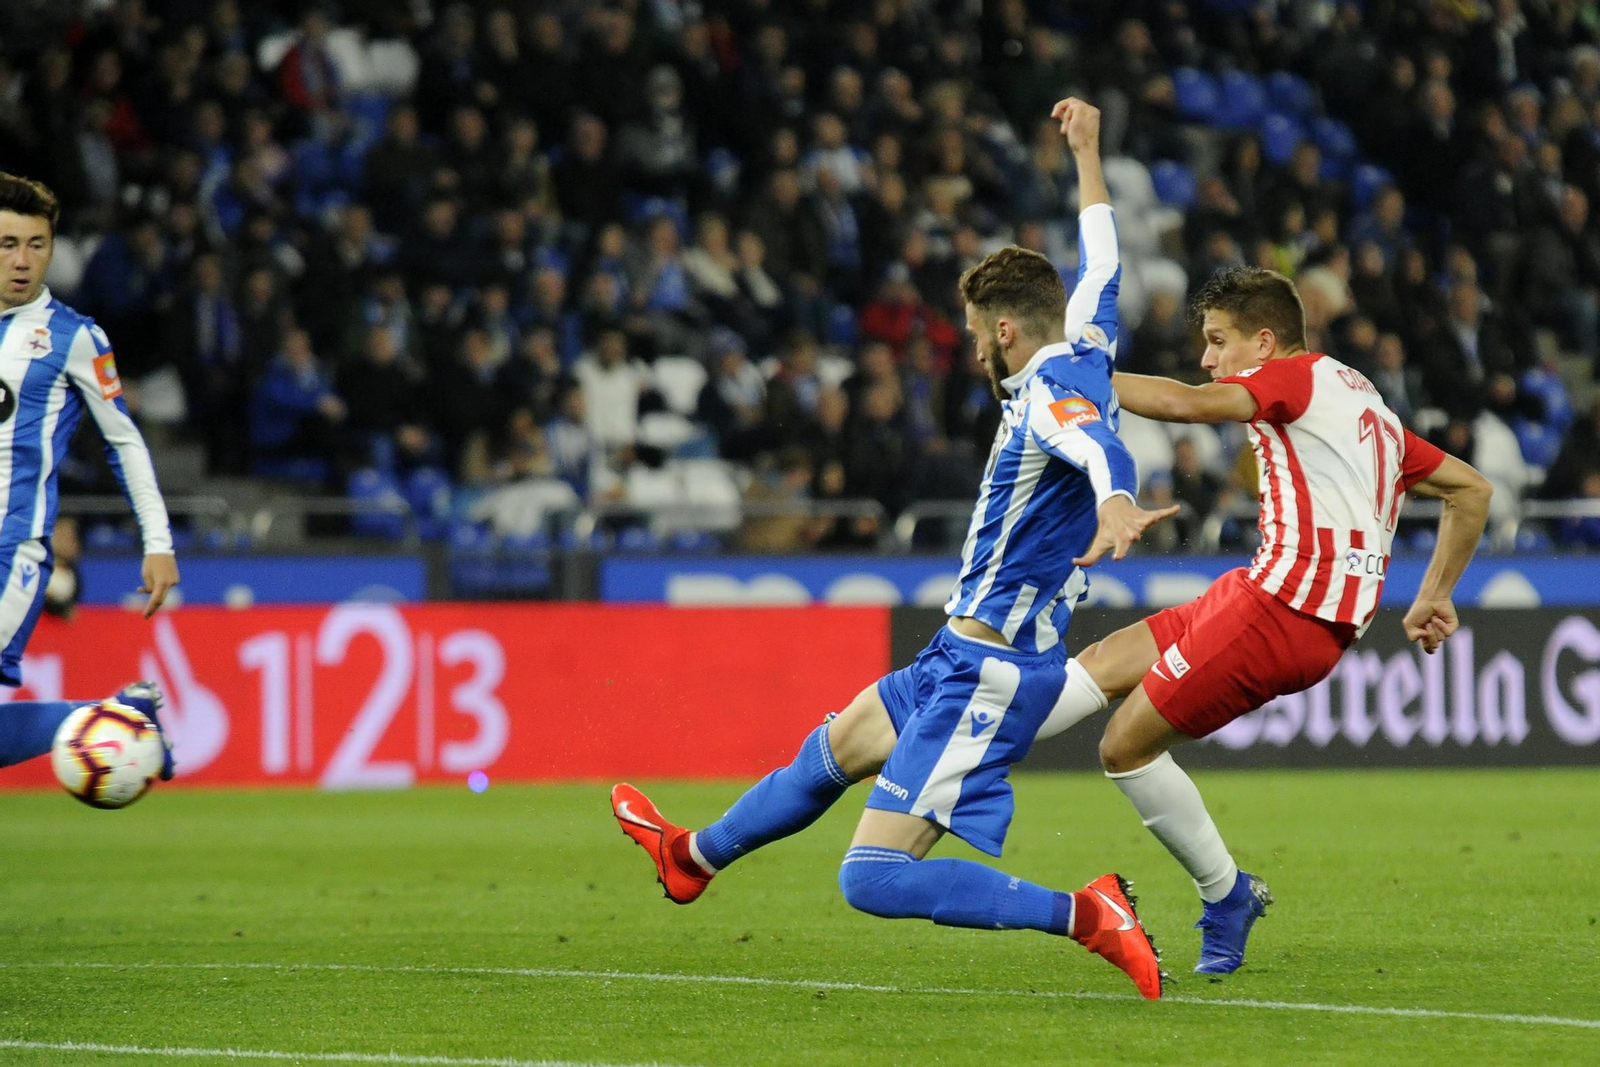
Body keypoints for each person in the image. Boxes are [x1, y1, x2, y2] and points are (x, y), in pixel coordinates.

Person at [612, 101, 1176, 999]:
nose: (969, 350)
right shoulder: (1093, 347)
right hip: (957, 651)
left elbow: (1087, 440)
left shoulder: (1043, 395)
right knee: (833, 747)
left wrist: (1116, 500)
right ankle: (694, 856)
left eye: (972, 333)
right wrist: (1088, 154)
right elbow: (1102, 256)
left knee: (870, 877)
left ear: (1003, 332)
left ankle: (1087, 912)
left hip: (987, 671)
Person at [1044, 266, 1492, 974]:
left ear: (1265, 340)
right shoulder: (1359, 397)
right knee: (1104, 663)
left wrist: (1062, 380)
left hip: (1285, 612)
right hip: (1266, 593)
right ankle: (966, 733)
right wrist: (1434, 593)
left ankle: (1226, 895)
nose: (1208, 357)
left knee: (1122, 747)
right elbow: (1471, 488)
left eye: (1219, 341)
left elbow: (1188, 404)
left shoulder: (1295, 376)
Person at [0, 173, 180, 778]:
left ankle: (113, 716)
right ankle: (119, 715)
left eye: (36, 244)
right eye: (7, 244)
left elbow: (124, 441)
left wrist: (157, 541)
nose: (23, 261)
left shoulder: (74, 336)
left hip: (10, 547)